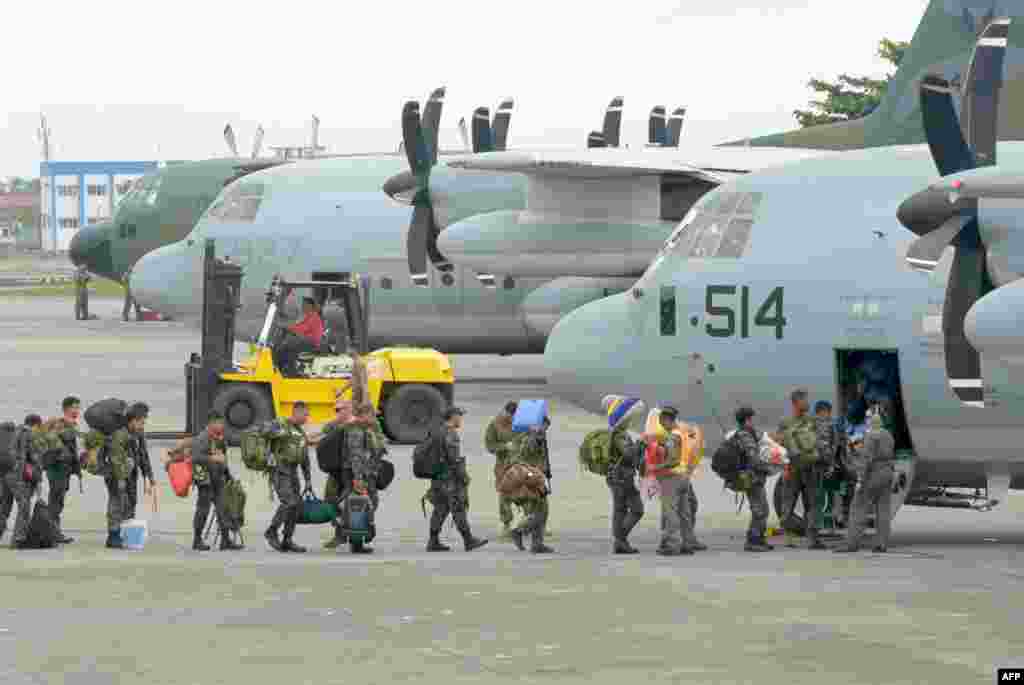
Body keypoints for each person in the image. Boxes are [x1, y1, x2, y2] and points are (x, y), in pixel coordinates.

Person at [426, 406, 488, 552]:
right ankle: (468, 540)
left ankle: (433, 540)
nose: (461, 419)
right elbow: (453, 459)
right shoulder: (450, 433)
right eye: (459, 416)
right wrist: (463, 476)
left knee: (440, 509)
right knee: (458, 508)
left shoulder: (436, 431)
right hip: (450, 479)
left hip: (437, 478)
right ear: (453, 417)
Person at [835, 410, 896, 553]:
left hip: (873, 474)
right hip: (887, 473)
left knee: (858, 507)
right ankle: (882, 544)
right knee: (883, 510)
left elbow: (866, 459)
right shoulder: (888, 435)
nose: (866, 421)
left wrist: (860, 480)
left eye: (868, 418)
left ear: (871, 421)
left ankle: (851, 544)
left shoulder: (870, 436)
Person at [648, 406, 700, 556]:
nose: (661, 426)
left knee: (670, 511)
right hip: (684, 478)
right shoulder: (685, 434)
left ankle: (672, 544)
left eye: (661, 422)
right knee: (684, 512)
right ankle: (687, 543)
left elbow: (673, 460)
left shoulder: (673, 437)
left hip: (672, 478)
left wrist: (655, 467)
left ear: (666, 419)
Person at [777, 389, 826, 550]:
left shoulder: (813, 420)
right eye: (804, 400)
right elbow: (779, 446)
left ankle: (812, 537)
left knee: (813, 503)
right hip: (792, 468)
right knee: (788, 503)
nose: (807, 403)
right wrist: (784, 467)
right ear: (795, 402)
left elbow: (819, 441)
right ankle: (789, 537)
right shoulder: (785, 422)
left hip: (811, 468)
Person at [263, 402, 314, 553]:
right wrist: (277, 432)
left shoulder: (301, 434)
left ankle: (287, 539)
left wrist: (308, 480)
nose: (307, 418)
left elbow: (305, 459)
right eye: (305, 415)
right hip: (279, 470)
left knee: (296, 506)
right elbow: (264, 431)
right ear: (296, 413)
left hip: (293, 472)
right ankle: (272, 531)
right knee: (289, 502)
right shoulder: (281, 424)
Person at [189, 412, 243, 552]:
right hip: (205, 481)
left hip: (218, 479)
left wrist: (228, 474)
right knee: (203, 510)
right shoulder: (202, 438)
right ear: (212, 423)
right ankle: (197, 540)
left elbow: (222, 458)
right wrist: (212, 459)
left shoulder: (220, 438)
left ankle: (225, 541)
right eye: (219, 423)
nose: (222, 426)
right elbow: (195, 457)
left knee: (223, 509)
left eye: (222, 423)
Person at [104, 403, 153, 549]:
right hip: (116, 474)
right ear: (132, 420)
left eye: (144, 422)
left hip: (131, 474)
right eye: (140, 422)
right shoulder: (120, 434)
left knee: (130, 502)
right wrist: (120, 479)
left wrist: (148, 476)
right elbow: (115, 458)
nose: (142, 425)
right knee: (117, 503)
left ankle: (126, 534)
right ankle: (113, 535)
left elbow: (143, 455)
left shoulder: (138, 434)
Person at [339, 402, 386, 553]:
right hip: (357, 475)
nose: (374, 418)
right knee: (359, 506)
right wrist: (358, 479)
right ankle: (355, 540)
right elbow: (356, 457)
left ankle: (356, 538)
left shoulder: (366, 429)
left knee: (362, 506)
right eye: (372, 415)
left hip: (365, 474)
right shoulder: (356, 431)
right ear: (364, 415)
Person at [601, 395, 646, 554]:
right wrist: (640, 445)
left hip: (616, 476)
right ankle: (620, 538)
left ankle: (620, 542)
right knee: (637, 509)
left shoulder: (615, 433)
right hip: (622, 478)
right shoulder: (619, 435)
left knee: (619, 510)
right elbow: (628, 455)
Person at [35, 397, 83, 544]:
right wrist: (70, 427)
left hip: (64, 468)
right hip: (57, 468)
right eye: (74, 407)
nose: (77, 411)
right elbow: (56, 439)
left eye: (78, 408)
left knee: (58, 501)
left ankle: (54, 532)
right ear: (66, 409)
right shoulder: (59, 423)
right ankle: (51, 533)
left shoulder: (70, 424)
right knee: (55, 501)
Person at [508, 417, 554, 554]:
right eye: (544, 426)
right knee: (540, 511)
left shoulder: (537, 437)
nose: (545, 429)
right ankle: (520, 531)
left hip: (537, 477)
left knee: (540, 511)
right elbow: (527, 454)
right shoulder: (532, 438)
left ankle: (537, 544)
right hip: (532, 479)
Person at [732, 406, 774, 552]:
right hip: (751, 478)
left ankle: (758, 539)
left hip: (752, 477)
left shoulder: (744, 434)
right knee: (760, 510)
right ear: (747, 420)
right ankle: (753, 541)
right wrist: (767, 468)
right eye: (751, 419)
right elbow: (754, 458)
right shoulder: (745, 435)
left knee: (761, 509)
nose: (753, 422)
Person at [3, 415, 43, 549]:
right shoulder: (29, 434)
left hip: (5, 474)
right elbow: (34, 457)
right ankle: (18, 539)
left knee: (3, 507)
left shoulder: (12, 432)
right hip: (19, 476)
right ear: (36, 425)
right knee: (24, 506)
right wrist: (38, 479)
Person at [320, 396, 354, 549]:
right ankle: (339, 534)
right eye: (336, 410)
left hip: (352, 471)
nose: (337, 412)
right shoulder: (335, 425)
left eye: (340, 409)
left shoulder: (357, 425)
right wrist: (339, 421)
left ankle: (355, 536)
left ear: (349, 409)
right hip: (336, 471)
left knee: (353, 503)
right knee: (330, 500)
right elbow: (325, 430)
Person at [485, 401, 518, 538]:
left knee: (531, 492)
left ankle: (534, 523)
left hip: (522, 464)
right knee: (505, 495)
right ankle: (506, 525)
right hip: (504, 465)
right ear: (506, 413)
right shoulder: (495, 424)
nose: (513, 419)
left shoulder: (523, 423)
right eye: (511, 416)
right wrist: (505, 447)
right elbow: (490, 445)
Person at [274, 297, 324, 375]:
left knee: (286, 347)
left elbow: (302, 329)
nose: (302, 306)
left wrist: (286, 327)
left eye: (304, 304)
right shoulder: (308, 316)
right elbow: (297, 326)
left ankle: (288, 371)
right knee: (286, 346)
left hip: (312, 343)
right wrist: (287, 326)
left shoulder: (313, 317)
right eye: (302, 304)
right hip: (306, 340)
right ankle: (286, 369)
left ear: (310, 306)